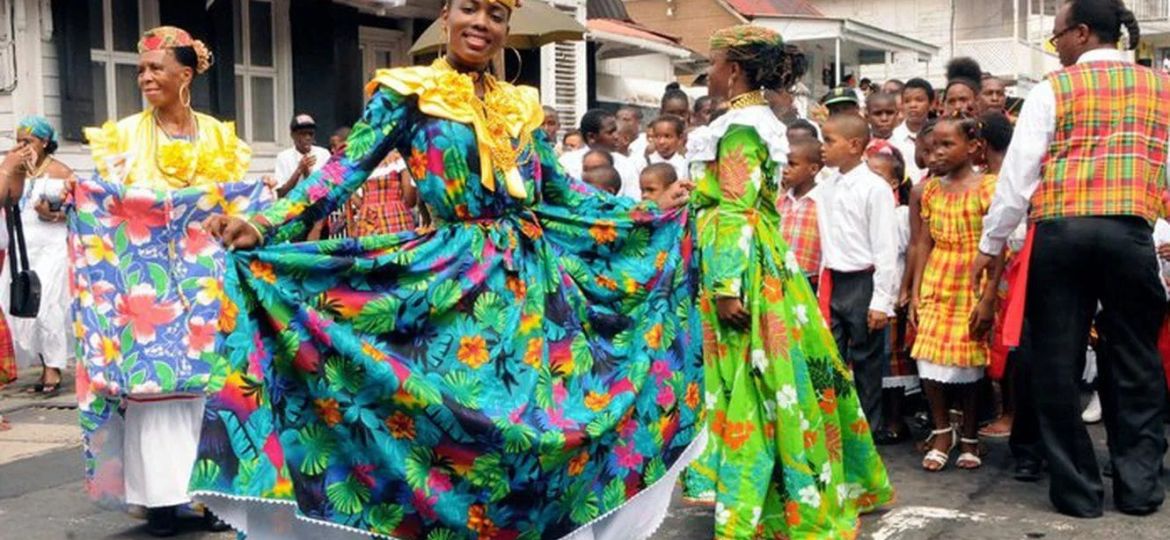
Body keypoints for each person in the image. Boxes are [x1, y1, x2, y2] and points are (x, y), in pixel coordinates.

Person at [195, 0, 703, 537]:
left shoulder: (519, 105)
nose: (481, 23)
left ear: (506, 27)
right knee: (462, 435)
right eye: (469, 8)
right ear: (446, 15)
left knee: (546, 431)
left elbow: (561, 192)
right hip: (453, 285)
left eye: (495, 14)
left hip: (537, 288)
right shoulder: (409, 92)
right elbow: (342, 172)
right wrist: (265, 225)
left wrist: (648, 212)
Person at [685, 24, 892, 537]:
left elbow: (736, 209)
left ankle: (753, 504)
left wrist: (725, 286)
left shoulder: (740, 128)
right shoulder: (755, 122)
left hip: (742, 268)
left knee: (751, 381)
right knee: (774, 380)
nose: (708, 74)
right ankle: (777, 491)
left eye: (713, 64)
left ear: (734, 69)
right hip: (762, 261)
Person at [973, 0, 1168, 518]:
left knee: (1056, 363)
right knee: (1136, 362)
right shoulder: (1161, 87)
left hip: (1062, 234)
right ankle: (1139, 487)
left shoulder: (1052, 89)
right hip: (1130, 233)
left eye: (1056, 35)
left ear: (1081, 33)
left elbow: (1017, 178)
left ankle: (1078, 491)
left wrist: (991, 244)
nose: (1054, 44)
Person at [53, 26, 248, 536]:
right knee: (152, 386)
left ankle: (212, 497)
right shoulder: (121, 136)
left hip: (205, 282)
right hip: (143, 284)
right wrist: (76, 194)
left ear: (186, 74)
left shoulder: (219, 136)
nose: (144, 77)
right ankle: (160, 500)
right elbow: (105, 198)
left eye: (155, 68)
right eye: (140, 69)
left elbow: (235, 199)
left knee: (208, 386)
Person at [910, 114, 1000, 471]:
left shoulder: (988, 187)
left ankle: (970, 435)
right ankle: (941, 430)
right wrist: (916, 290)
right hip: (938, 276)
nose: (938, 153)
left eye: (947, 145)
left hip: (973, 277)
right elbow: (923, 242)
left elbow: (998, 246)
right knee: (928, 356)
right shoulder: (931, 189)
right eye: (933, 146)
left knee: (968, 361)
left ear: (973, 146)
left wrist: (989, 295)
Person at [817, 113, 899, 441]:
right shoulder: (826, 187)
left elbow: (885, 248)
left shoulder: (875, 189)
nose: (822, 147)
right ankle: (836, 429)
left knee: (867, 361)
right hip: (833, 281)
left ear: (853, 145)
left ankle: (868, 431)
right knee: (832, 358)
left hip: (864, 282)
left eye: (829, 141)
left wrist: (881, 301)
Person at [0, 118, 73, 396]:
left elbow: (79, 212)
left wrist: (52, 215)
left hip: (52, 247)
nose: (22, 146)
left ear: (44, 142)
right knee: (22, 306)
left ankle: (53, 368)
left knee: (47, 306)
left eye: (28, 141)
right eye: (18, 141)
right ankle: (43, 363)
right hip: (22, 248)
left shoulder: (61, 171)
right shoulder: (15, 170)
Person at [866, 140, 918, 445]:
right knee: (872, 360)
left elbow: (910, 251)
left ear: (895, 182)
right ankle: (873, 419)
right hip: (868, 291)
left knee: (892, 361)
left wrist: (906, 289)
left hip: (893, 290)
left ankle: (896, 419)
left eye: (879, 176)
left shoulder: (900, 215)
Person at [559, 109, 641, 198]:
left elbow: (633, 200)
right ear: (591, 137)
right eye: (610, 132)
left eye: (616, 131)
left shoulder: (626, 165)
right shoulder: (566, 163)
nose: (616, 136)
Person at [778, 139, 824, 288]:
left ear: (813, 169)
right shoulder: (778, 202)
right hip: (778, 279)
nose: (785, 170)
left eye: (792, 164)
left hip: (810, 282)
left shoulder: (824, 203)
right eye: (784, 164)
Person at [351, 150, 417, 236]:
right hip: (395, 219)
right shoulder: (398, 160)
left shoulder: (360, 163)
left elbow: (360, 204)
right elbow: (410, 201)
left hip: (368, 221)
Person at [273, 114, 332, 198]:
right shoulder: (283, 157)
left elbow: (329, 189)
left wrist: (309, 175)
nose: (308, 138)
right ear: (293, 135)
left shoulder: (323, 154)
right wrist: (299, 170)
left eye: (311, 134)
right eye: (303, 134)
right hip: (292, 204)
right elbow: (281, 193)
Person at [893, 78, 935, 184]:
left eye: (919, 100)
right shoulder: (893, 139)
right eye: (907, 101)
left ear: (931, 104)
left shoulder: (939, 135)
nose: (913, 105)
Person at [633, 115, 688, 181]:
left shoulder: (686, 165)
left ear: (680, 139)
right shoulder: (642, 163)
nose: (661, 142)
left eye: (667, 136)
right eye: (657, 136)